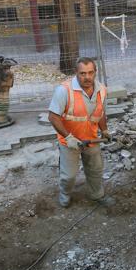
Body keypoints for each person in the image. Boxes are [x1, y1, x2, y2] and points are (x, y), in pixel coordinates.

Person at [48, 57, 116, 208]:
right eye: (83, 73)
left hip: (91, 139)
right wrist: (68, 137)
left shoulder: (102, 90)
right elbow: (53, 117)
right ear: (76, 73)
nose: (87, 77)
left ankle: (96, 194)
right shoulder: (64, 90)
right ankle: (65, 194)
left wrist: (104, 130)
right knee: (69, 176)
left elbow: (100, 112)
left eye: (90, 73)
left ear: (95, 72)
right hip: (69, 141)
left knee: (96, 170)